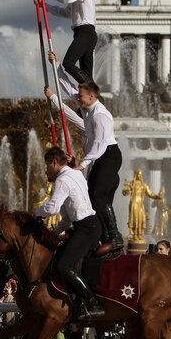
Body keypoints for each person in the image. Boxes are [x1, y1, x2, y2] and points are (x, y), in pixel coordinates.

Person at [45, 60, 124, 252]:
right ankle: (105, 237)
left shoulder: (99, 115)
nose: (77, 99)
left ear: (91, 96)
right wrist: (56, 68)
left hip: (109, 156)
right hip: (101, 158)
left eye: (81, 97)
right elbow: (69, 91)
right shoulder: (87, 109)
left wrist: (82, 164)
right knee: (93, 198)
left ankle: (114, 237)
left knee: (96, 195)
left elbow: (100, 143)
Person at [34, 147, 105, 321]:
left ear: (54, 162)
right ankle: (75, 301)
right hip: (88, 225)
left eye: (47, 166)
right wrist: (54, 232)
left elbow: (52, 208)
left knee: (64, 265)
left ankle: (92, 302)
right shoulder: (76, 175)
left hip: (86, 228)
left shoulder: (63, 179)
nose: (46, 170)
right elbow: (66, 217)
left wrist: (34, 214)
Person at [35, 0, 97, 86]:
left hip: (85, 33)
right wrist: (44, 6)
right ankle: (94, 99)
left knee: (68, 64)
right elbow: (66, 12)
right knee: (86, 76)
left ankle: (93, 91)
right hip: (86, 34)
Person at [122, 169, 162, 242]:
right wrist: (126, 190)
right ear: (136, 175)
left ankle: (139, 234)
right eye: (138, 174)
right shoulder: (132, 183)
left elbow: (150, 193)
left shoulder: (143, 185)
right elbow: (126, 192)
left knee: (141, 218)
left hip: (140, 204)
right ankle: (135, 235)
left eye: (140, 174)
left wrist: (157, 196)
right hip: (134, 203)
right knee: (135, 218)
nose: (139, 176)